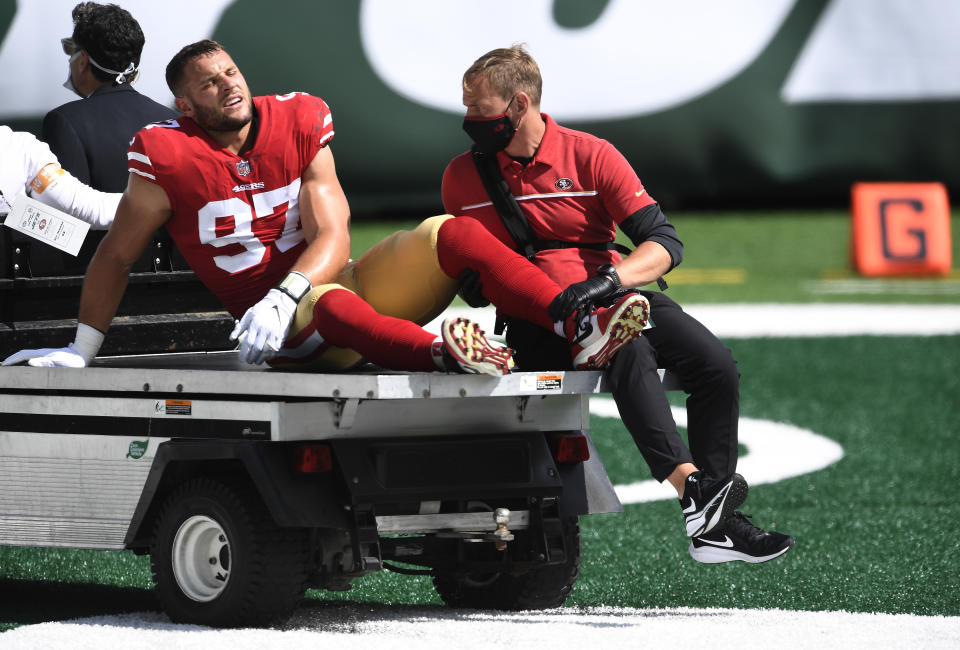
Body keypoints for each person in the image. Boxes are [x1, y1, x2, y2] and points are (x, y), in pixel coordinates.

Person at [3, 40, 650, 378]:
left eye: (231, 72)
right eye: (210, 83)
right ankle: (453, 355)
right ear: (185, 106)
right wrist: (83, 349)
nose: (230, 86)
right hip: (283, 332)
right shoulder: (165, 156)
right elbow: (117, 254)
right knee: (333, 304)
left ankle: (576, 327)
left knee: (447, 233)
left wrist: (288, 289)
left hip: (321, 286)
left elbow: (334, 230)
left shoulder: (298, 119)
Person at [441, 45, 794, 564]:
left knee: (716, 364)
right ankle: (696, 495)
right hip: (538, 318)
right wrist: (476, 281)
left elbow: (663, 243)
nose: (470, 120)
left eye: (480, 109)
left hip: (613, 295)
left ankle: (713, 521)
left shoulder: (591, 154)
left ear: (520, 104)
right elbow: (463, 263)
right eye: (467, 107)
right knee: (626, 351)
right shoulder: (460, 177)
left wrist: (606, 284)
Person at [43, 2, 178, 193]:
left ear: (82, 61)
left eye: (70, 51)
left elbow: (67, 213)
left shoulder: (65, 121)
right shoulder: (176, 121)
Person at [0, 125, 116, 229]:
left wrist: (133, 203)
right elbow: (91, 209)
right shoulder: (16, 147)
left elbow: (88, 208)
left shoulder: (16, 148)